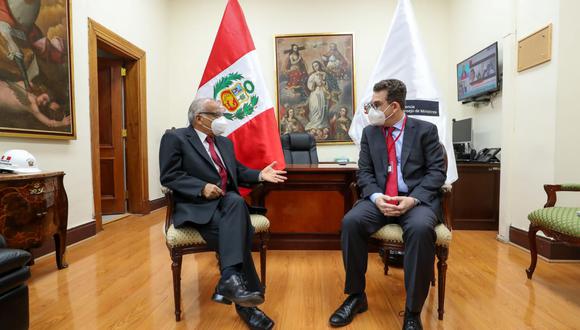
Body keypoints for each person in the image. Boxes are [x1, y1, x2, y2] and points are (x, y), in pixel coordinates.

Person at [159, 98, 287, 330]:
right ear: (199, 118)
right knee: (239, 229)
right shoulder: (176, 138)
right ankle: (247, 304)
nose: (223, 119)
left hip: (227, 204)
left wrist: (260, 175)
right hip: (197, 206)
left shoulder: (224, 143)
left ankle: (229, 280)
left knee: (236, 201)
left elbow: (237, 170)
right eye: (217, 115)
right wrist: (201, 187)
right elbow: (169, 176)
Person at [328, 79, 445, 330]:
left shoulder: (425, 130)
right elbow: (365, 173)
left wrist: (413, 199)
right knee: (351, 222)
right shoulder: (371, 133)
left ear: (393, 106)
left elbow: (437, 173)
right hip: (381, 198)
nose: (371, 109)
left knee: (421, 229)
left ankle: (413, 311)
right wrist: (375, 197)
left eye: (376, 104)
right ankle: (356, 296)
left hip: (415, 200)